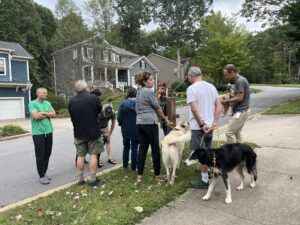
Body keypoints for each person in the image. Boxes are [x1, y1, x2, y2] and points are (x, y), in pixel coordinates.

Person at [186, 66, 222, 189]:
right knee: (208, 150)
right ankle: (207, 171)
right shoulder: (211, 87)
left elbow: (194, 108)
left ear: (191, 76)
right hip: (210, 126)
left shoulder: (191, 88)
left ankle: (205, 180)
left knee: (200, 153)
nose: (188, 78)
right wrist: (215, 122)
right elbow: (219, 106)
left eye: (188, 76)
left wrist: (202, 124)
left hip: (198, 126)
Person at [68, 80, 104, 186]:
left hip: (78, 132)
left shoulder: (71, 101)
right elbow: (99, 110)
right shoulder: (93, 98)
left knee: (80, 155)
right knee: (93, 154)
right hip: (93, 132)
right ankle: (92, 180)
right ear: (85, 88)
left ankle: (80, 179)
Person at [135, 71, 168, 183]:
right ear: (144, 81)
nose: (153, 81)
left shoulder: (139, 91)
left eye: (153, 79)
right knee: (155, 149)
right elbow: (157, 107)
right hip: (150, 123)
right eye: (150, 80)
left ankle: (139, 175)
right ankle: (157, 175)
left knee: (142, 149)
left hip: (140, 123)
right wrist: (164, 119)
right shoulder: (148, 91)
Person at [28, 87, 56, 185]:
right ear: (38, 94)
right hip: (38, 133)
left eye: (46, 93)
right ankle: (41, 176)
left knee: (47, 153)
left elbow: (54, 115)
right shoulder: (32, 104)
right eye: (44, 93)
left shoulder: (47, 103)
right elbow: (35, 116)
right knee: (40, 154)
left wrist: (43, 113)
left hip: (49, 131)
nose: (46, 94)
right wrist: (48, 114)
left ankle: (44, 172)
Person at [221, 64, 250, 143]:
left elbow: (239, 98)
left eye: (227, 75)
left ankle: (234, 153)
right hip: (242, 111)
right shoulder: (240, 80)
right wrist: (229, 98)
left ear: (232, 72)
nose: (227, 77)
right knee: (237, 132)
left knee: (228, 133)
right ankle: (242, 152)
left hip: (241, 112)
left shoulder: (240, 81)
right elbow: (237, 96)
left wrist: (225, 101)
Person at [117, 87, 139, 172]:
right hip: (136, 128)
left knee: (126, 147)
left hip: (125, 129)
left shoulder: (123, 104)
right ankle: (134, 167)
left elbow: (119, 117)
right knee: (134, 147)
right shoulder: (138, 103)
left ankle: (125, 166)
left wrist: (122, 124)